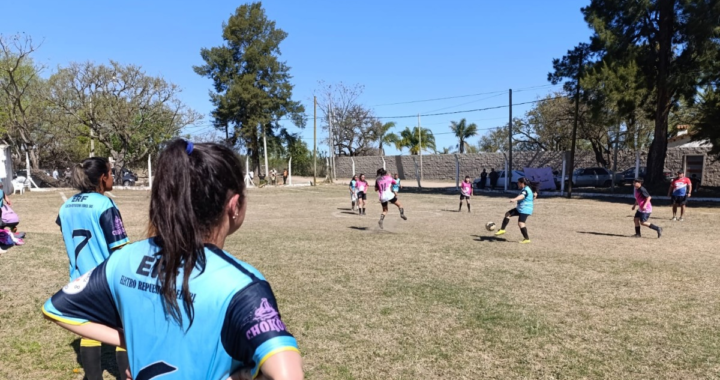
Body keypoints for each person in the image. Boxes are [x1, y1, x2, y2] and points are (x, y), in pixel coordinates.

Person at [42, 140, 303, 380]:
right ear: (235, 205)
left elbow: (56, 309)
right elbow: (288, 375)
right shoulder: (242, 286)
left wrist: (133, 340)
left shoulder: (122, 261)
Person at [52, 157, 130, 380]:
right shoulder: (104, 204)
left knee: (89, 327)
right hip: (105, 279)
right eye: (111, 173)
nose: (113, 177)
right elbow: (120, 247)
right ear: (103, 177)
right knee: (123, 329)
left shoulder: (66, 205)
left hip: (79, 280)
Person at [494, 177, 537, 243]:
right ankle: (502, 229)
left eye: (518, 182)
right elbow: (531, 197)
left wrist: (514, 199)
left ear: (522, 183)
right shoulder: (527, 189)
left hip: (525, 209)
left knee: (521, 223)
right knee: (507, 214)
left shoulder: (525, 190)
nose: (517, 184)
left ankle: (527, 239)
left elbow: (522, 196)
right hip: (521, 208)